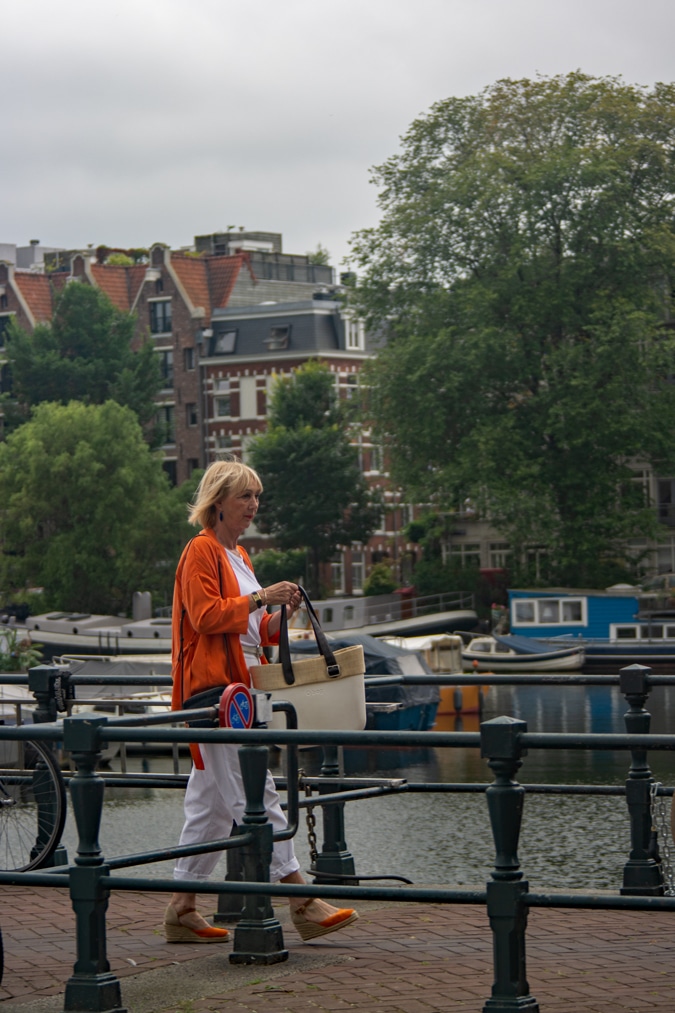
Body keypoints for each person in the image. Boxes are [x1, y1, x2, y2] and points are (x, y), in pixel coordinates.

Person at [164, 458, 358, 944]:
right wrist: (258, 599)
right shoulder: (201, 552)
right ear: (218, 502)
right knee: (257, 792)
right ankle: (301, 899)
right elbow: (206, 617)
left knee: (208, 806)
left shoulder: (240, 557)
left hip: (237, 687)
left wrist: (280, 612)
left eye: (256, 497)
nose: (253, 506)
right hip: (216, 692)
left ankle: (181, 909)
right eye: (244, 497)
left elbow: (256, 632)